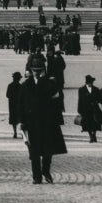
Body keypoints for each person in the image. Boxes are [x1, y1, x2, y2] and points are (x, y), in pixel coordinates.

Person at [19, 54, 67, 184]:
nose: (37, 73)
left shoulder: (50, 84)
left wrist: (57, 119)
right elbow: (21, 105)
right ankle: (36, 176)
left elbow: (57, 102)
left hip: (47, 122)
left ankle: (46, 171)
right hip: (32, 123)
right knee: (34, 151)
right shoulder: (25, 85)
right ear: (31, 70)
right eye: (35, 70)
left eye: (39, 70)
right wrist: (22, 122)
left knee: (48, 150)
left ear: (43, 70)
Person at [76, 75, 102, 143]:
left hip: (94, 108)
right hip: (86, 109)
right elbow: (80, 100)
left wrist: (96, 101)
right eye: (90, 82)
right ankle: (91, 136)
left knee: (95, 123)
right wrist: (79, 110)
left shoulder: (96, 89)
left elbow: (100, 98)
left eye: (92, 82)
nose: (91, 84)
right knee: (88, 124)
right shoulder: (81, 90)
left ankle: (94, 135)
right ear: (87, 83)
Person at [6, 72, 23, 139]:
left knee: (13, 120)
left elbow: (7, 95)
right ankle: (21, 133)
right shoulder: (20, 86)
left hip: (12, 104)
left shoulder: (10, 85)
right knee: (20, 119)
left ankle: (15, 132)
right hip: (19, 104)